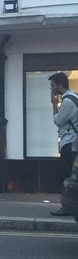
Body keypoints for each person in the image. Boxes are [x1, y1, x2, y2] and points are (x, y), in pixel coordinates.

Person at [49, 72, 78, 216]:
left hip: (70, 142)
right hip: (74, 142)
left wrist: (54, 105)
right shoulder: (75, 97)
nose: (51, 89)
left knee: (65, 175)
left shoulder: (67, 101)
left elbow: (58, 121)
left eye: (53, 85)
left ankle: (66, 207)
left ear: (60, 85)